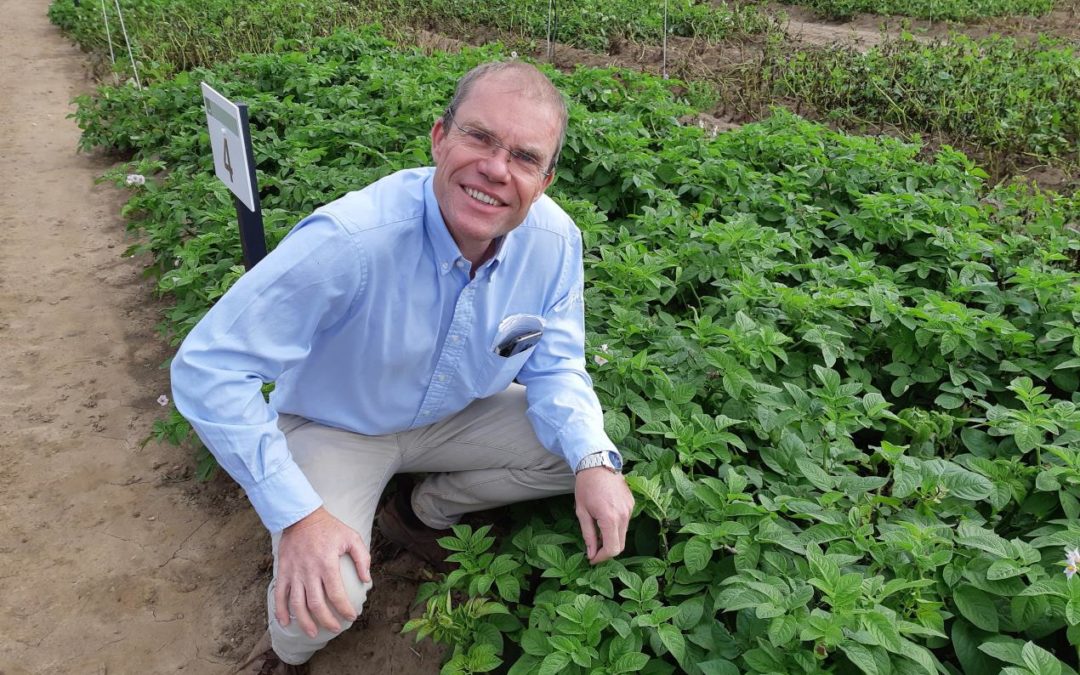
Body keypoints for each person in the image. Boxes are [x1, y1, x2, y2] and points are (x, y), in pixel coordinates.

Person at [171, 61, 634, 674]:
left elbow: (556, 368)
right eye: (480, 138)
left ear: (544, 179)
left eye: (524, 157)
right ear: (439, 137)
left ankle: (422, 512)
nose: (497, 169)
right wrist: (298, 514)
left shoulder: (554, 244)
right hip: (337, 429)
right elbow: (207, 368)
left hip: (454, 416)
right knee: (323, 603)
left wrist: (594, 462)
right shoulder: (352, 239)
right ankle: (282, 657)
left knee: (585, 454)